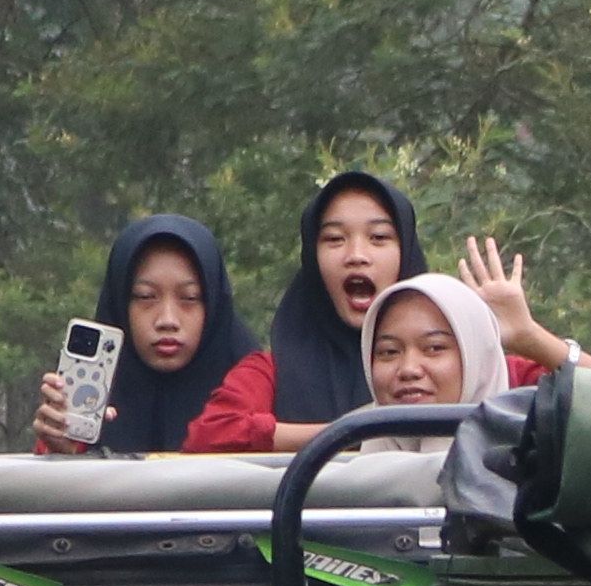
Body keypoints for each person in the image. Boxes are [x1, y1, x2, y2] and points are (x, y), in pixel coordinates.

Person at [178, 171, 423, 447]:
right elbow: (209, 435)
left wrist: (482, 329)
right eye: (334, 239)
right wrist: (348, 435)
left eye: (378, 237)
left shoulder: (439, 365)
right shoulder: (273, 370)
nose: (356, 255)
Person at [26, 212, 246, 456]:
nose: (167, 320)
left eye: (190, 298)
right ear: (120, 303)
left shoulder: (256, 384)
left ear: (213, 303)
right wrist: (60, 450)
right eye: (145, 296)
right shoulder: (93, 394)